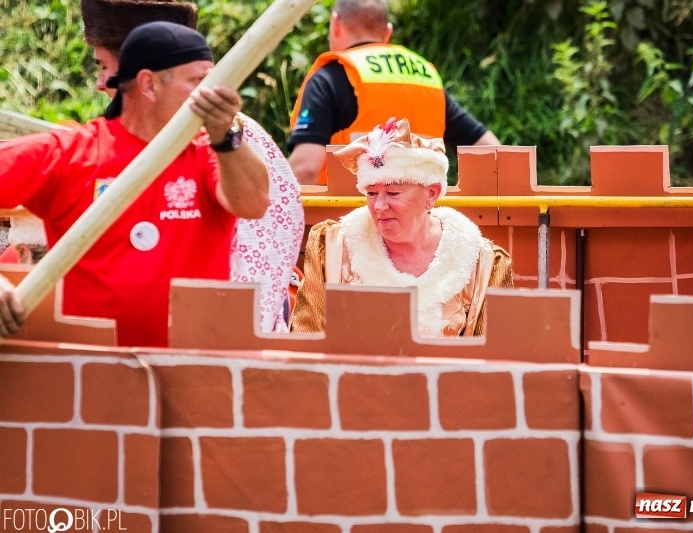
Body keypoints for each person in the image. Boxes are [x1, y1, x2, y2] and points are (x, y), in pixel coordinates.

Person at [0, 21, 270, 346]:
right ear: (149, 85)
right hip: (91, 373)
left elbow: (254, 204)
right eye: (199, 81)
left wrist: (225, 135)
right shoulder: (73, 153)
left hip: (195, 372)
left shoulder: (211, 152)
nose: (213, 92)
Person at [81, 0, 304, 332]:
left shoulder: (220, 141)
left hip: (211, 343)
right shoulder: (147, 138)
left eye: (103, 66)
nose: (100, 82)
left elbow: (253, 277)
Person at [290, 118, 512, 336]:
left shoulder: (484, 262)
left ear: (431, 193)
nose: (379, 206)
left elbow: (499, 359)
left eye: (393, 193)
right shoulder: (331, 248)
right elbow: (305, 342)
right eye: (371, 193)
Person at [287, 0, 500, 186]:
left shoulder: (331, 77)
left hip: (348, 223)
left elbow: (305, 168)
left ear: (335, 24)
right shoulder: (424, 76)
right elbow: (493, 151)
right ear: (387, 32)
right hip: (420, 224)